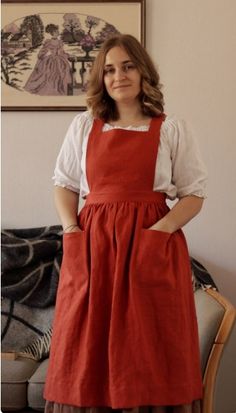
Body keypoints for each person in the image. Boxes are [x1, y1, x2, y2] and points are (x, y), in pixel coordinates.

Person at [44, 34, 207, 413]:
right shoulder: (84, 126)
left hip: (151, 245)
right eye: (110, 69)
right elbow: (64, 185)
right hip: (93, 245)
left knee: (150, 338)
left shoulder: (171, 129)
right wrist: (72, 231)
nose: (119, 76)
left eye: (128, 66)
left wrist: (158, 233)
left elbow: (194, 194)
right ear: (101, 78)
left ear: (143, 71)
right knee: (85, 339)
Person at [24, 24, 71, 96]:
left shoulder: (60, 42)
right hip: (49, 61)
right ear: (52, 33)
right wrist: (47, 54)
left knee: (64, 70)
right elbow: (40, 54)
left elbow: (62, 52)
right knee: (46, 73)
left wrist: (68, 55)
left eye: (57, 31)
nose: (58, 32)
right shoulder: (48, 42)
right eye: (56, 31)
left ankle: (61, 89)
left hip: (59, 60)